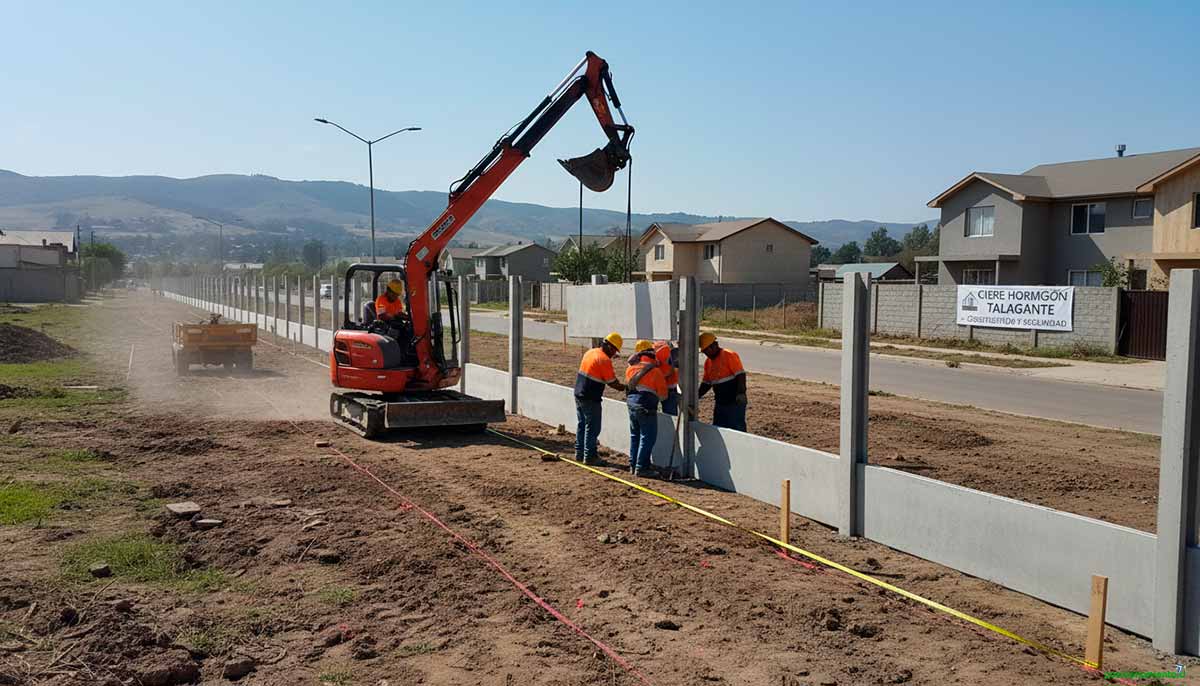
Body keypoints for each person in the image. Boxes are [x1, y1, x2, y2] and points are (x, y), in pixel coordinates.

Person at [573, 332, 626, 464]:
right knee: (593, 427)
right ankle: (590, 456)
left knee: (582, 425)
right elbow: (612, 382)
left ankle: (579, 453)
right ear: (608, 346)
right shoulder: (603, 359)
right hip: (590, 397)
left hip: (579, 393)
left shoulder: (591, 352)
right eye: (614, 350)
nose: (614, 354)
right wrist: (626, 387)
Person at [625, 340, 668, 477]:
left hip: (631, 406)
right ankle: (642, 467)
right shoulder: (656, 372)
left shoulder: (630, 369)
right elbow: (663, 396)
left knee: (635, 435)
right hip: (646, 408)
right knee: (648, 437)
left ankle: (633, 464)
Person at [698, 332, 747, 431]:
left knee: (737, 428)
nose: (706, 354)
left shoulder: (729, 355)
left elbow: (740, 375)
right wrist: (696, 396)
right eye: (704, 352)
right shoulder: (708, 363)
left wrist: (741, 393)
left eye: (707, 351)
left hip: (734, 401)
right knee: (719, 428)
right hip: (720, 402)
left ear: (714, 345)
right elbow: (706, 384)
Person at [653, 340, 680, 416]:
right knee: (670, 415)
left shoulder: (658, 351)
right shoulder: (665, 350)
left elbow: (669, 371)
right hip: (669, 387)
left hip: (668, 387)